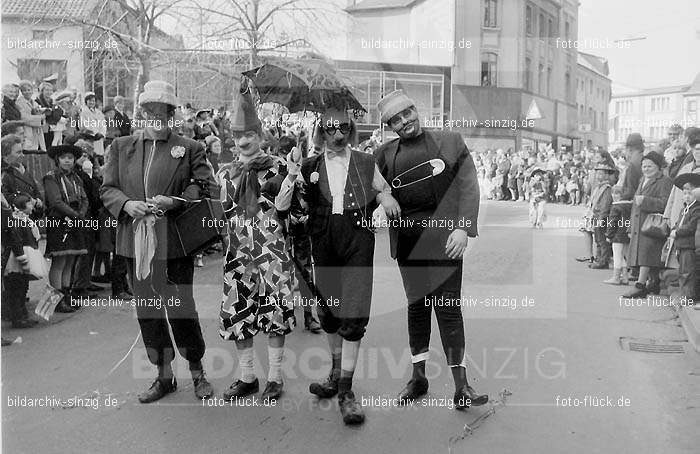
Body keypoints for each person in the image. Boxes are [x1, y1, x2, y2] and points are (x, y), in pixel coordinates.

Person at [277, 104, 400, 425]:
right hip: (323, 240)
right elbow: (294, 207)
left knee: (354, 310)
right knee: (328, 311)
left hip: (357, 239)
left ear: (350, 130)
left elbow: (383, 188)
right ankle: (335, 372)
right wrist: (293, 176)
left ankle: (346, 390)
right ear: (321, 131)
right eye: (330, 129)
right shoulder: (309, 164)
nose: (337, 135)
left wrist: (385, 196)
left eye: (343, 128)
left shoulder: (364, 160)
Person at [100, 80, 216, 403]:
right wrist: (126, 205)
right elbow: (108, 188)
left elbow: (203, 187)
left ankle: (197, 372)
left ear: (172, 114)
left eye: (164, 111)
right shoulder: (121, 147)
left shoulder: (190, 147)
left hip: (174, 241)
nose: (157, 117)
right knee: (148, 311)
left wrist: (175, 200)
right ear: (142, 113)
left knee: (181, 307)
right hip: (135, 242)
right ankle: (164, 376)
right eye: (151, 111)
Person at [374, 90, 488, 411]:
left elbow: (468, 183)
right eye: (396, 120)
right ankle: (418, 377)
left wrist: (464, 227)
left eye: (407, 113)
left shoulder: (449, 141)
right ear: (390, 126)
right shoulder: (384, 154)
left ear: (415, 110)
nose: (404, 122)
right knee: (418, 307)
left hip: (445, 240)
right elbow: (363, 179)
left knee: (448, 308)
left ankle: (461, 385)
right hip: (408, 244)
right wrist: (383, 197)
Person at [217, 90, 296, 403]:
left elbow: (287, 209)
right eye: (238, 135)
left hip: (272, 251)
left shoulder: (278, 168)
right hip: (238, 252)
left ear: (260, 135)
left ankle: (275, 377)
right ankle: (247, 377)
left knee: (275, 312)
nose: (243, 141)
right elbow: (222, 211)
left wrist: (291, 176)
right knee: (238, 314)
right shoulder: (226, 172)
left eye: (249, 134)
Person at [43, 144, 88, 312]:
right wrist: (75, 215)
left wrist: (80, 214)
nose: (67, 161)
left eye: (70, 157)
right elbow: (56, 201)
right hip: (59, 221)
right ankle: (55, 301)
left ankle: (66, 297)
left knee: (70, 260)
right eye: (64, 157)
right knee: (59, 261)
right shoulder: (51, 177)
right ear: (57, 159)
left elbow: (84, 198)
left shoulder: (77, 178)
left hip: (75, 220)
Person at [623, 152, 673, 298]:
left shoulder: (664, 181)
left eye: (649, 166)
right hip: (640, 225)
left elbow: (665, 203)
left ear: (658, 167)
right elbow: (634, 206)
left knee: (646, 254)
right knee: (646, 254)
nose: (646, 169)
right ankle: (653, 283)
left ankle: (640, 286)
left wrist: (645, 201)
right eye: (644, 166)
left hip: (652, 225)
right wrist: (630, 226)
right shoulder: (642, 180)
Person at [669, 173, 700, 305]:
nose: (686, 196)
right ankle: (684, 294)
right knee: (682, 271)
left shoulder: (696, 209)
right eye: (685, 193)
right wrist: (673, 229)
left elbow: (691, 226)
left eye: (690, 194)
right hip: (681, 244)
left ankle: (689, 296)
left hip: (689, 245)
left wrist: (677, 232)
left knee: (688, 272)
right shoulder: (684, 209)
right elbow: (678, 223)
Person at [589, 159, 617, 269]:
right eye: (597, 173)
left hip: (602, 217)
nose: (598, 175)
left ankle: (603, 260)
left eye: (601, 173)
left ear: (606, 175)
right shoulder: (599, 187)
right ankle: (599, 258)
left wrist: (601, 218)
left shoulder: (607, 188)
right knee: (598, 239)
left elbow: (605, 205)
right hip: (596, 216)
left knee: (602, 240)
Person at [603, 186, 632, 285]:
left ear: (621, 195)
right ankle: (625, 277)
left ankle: (616, 277)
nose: (614, 195)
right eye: (613, 193)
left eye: (617, 193)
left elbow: (612, 222)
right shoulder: (630, 206)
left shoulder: (616, 206)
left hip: (617, 235)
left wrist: (609, 235)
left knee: (617, 256)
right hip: (627, 234)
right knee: (622, 256)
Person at [78, 92, 106, 161]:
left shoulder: (99, 112)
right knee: (90, 155)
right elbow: (85, 124)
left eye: (93, 101)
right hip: (90, 137)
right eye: (90, 100)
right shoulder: (83, 112)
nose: (91, 102)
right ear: (86, 101)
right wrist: (95, 133)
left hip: (99, 138)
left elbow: (103, 124)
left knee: (99, 156)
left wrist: (102, 133)